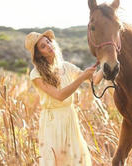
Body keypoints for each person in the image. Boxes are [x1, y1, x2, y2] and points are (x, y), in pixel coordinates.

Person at [25, 29, 103, 166]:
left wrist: (105, 62)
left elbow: (95, 80)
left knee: (75, 159)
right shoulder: (36, 74)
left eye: (48, 42)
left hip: (70, 118)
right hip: (53, 121)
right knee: (56, 160)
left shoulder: (66, 67)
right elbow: (59, 96)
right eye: (43, 46)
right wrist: (82, 77)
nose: (49, 46)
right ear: (38, 54)